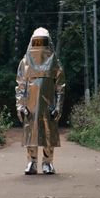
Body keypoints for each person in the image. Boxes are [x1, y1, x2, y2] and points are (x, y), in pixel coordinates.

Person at [15, 27, 66, 175]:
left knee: (49, 134)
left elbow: (60, 87)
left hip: (48, 105)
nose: (39, 46)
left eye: (42, 42)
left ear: (48, 43)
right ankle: (31, 162)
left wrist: (58, 107)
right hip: (30, 106)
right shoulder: (25, 62)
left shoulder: (54, 62)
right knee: (31, 133)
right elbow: (20, 86)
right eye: (36, 43)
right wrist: (20, 105)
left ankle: (47, 162)